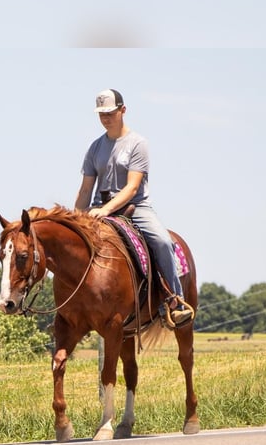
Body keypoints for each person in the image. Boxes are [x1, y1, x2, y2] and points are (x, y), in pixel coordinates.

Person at [74, 88, 193, 327]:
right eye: (101, 114)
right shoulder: (94, 148)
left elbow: (131, 188)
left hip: (134, 207)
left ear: (123, 110)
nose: (105, 118)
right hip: (98, 207)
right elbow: (86, 189)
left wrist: (106, 210)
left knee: (161, 241)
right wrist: (74, 218)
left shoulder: (138, 143)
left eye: (110, 112)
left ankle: (175, 300)